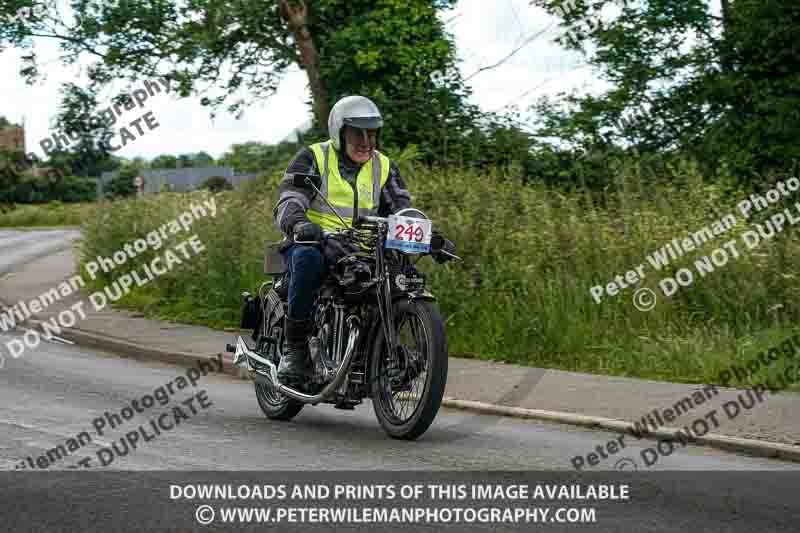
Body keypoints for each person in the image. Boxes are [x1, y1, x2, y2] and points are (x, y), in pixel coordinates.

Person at [272, 95, 455, 387]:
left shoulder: (384, 167)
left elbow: (400, 207)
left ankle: (389, 353)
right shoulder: (314, 157)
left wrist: (429, 237)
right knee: (307, 259)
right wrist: (299, 223)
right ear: (340, 132)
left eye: (372, 134)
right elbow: (289, 198)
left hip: (364, 247)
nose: (366, 141)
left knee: (402, 276)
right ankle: (295, 350)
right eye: (358, 133)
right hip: (316, 242)